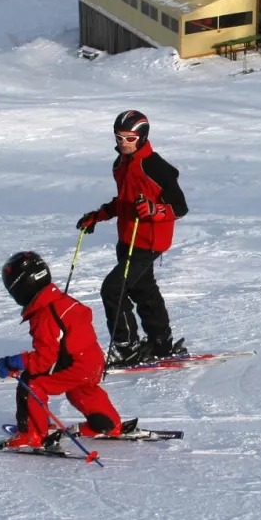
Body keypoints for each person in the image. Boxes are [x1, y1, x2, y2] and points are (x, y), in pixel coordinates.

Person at [77, 110, 189, 367]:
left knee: (113, 290)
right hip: (127, 238)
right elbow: (124, 202)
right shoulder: (120, 164)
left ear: (142, 137)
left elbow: (180, 208)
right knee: (144, 290)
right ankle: (162, 343)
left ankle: (126, 348)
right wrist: (97, 216)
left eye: (129, 137)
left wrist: (155, 211)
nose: (122, 142)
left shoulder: (156, 168)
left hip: (149, 242)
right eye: (118, 137)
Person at [0, 251, 129, 451]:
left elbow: (44, 360)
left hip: (75, 366)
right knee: (81, 390)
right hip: (91, 362)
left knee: (31, 384)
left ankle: (32, 434)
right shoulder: (61, 301)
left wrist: (15, 362)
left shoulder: (45, 315)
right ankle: (109, 424)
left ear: (22, 288)